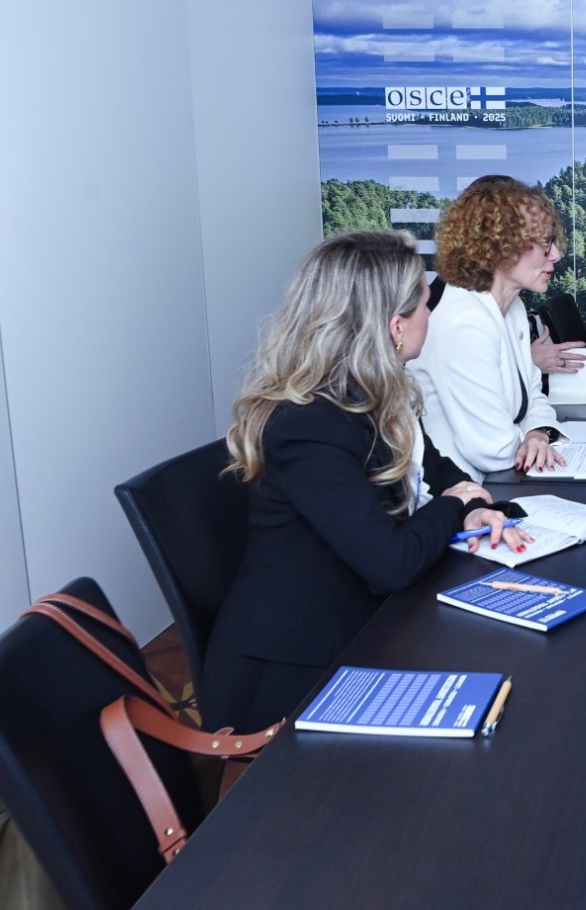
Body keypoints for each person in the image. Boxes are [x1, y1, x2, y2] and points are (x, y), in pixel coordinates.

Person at [203, 230, 528, 732]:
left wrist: (470, 503)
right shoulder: (308, 425)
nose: (431, 314)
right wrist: (453, 506)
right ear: (396, 326)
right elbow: (391, 563)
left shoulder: (378, 390)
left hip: (367, 622)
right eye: (426, 304)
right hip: (295, 673)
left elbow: (438, 468)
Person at [410, 175, 571, 480]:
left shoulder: (513, 308)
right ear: (500, 248)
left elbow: (533, 397)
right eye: (545, 243)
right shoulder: (463, 322)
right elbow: (492, 450)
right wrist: (527, 438)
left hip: (499, 484)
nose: (556, 255)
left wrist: (537, 434)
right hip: (458, 493)